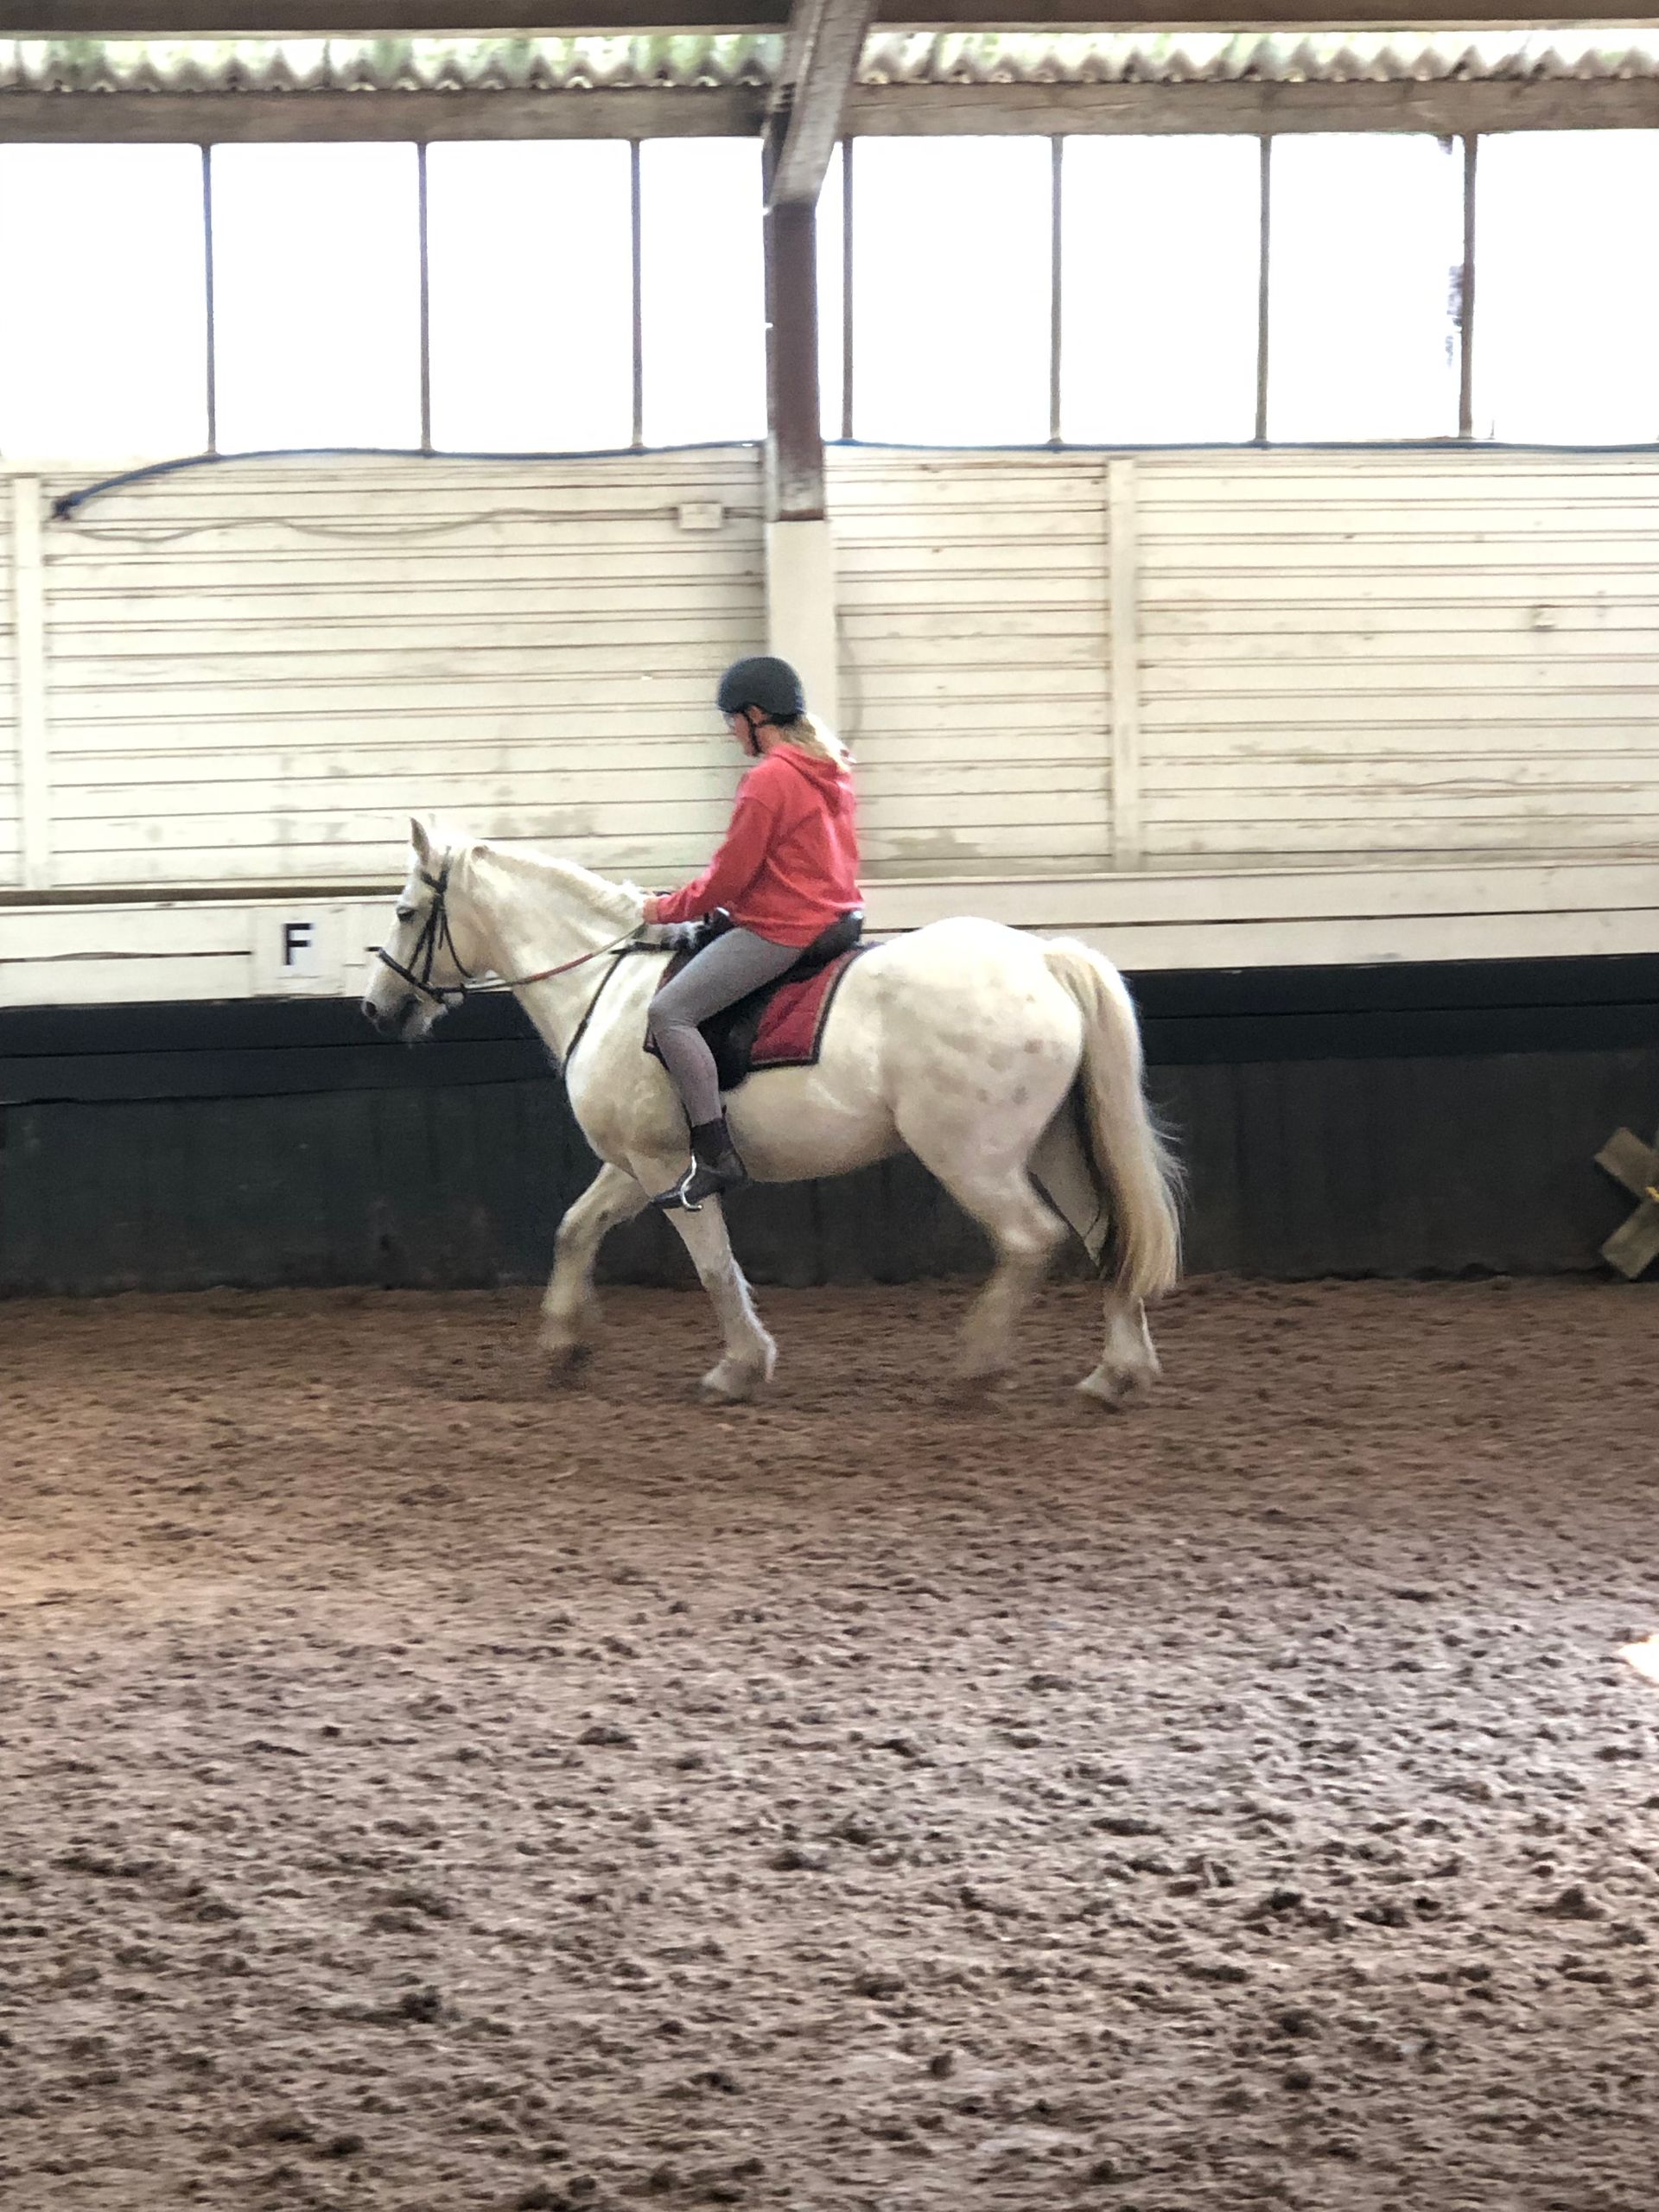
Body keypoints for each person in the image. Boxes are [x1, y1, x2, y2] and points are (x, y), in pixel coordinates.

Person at [642, 655, 861, 1211]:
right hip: (835, 914)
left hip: (784, 928)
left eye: (732, 720)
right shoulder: (831, 767)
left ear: (757, 715)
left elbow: (729, 876)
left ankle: (715, 1152)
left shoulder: (768, 780)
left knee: (669, 1013)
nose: (731, 731)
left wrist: (663, 909)